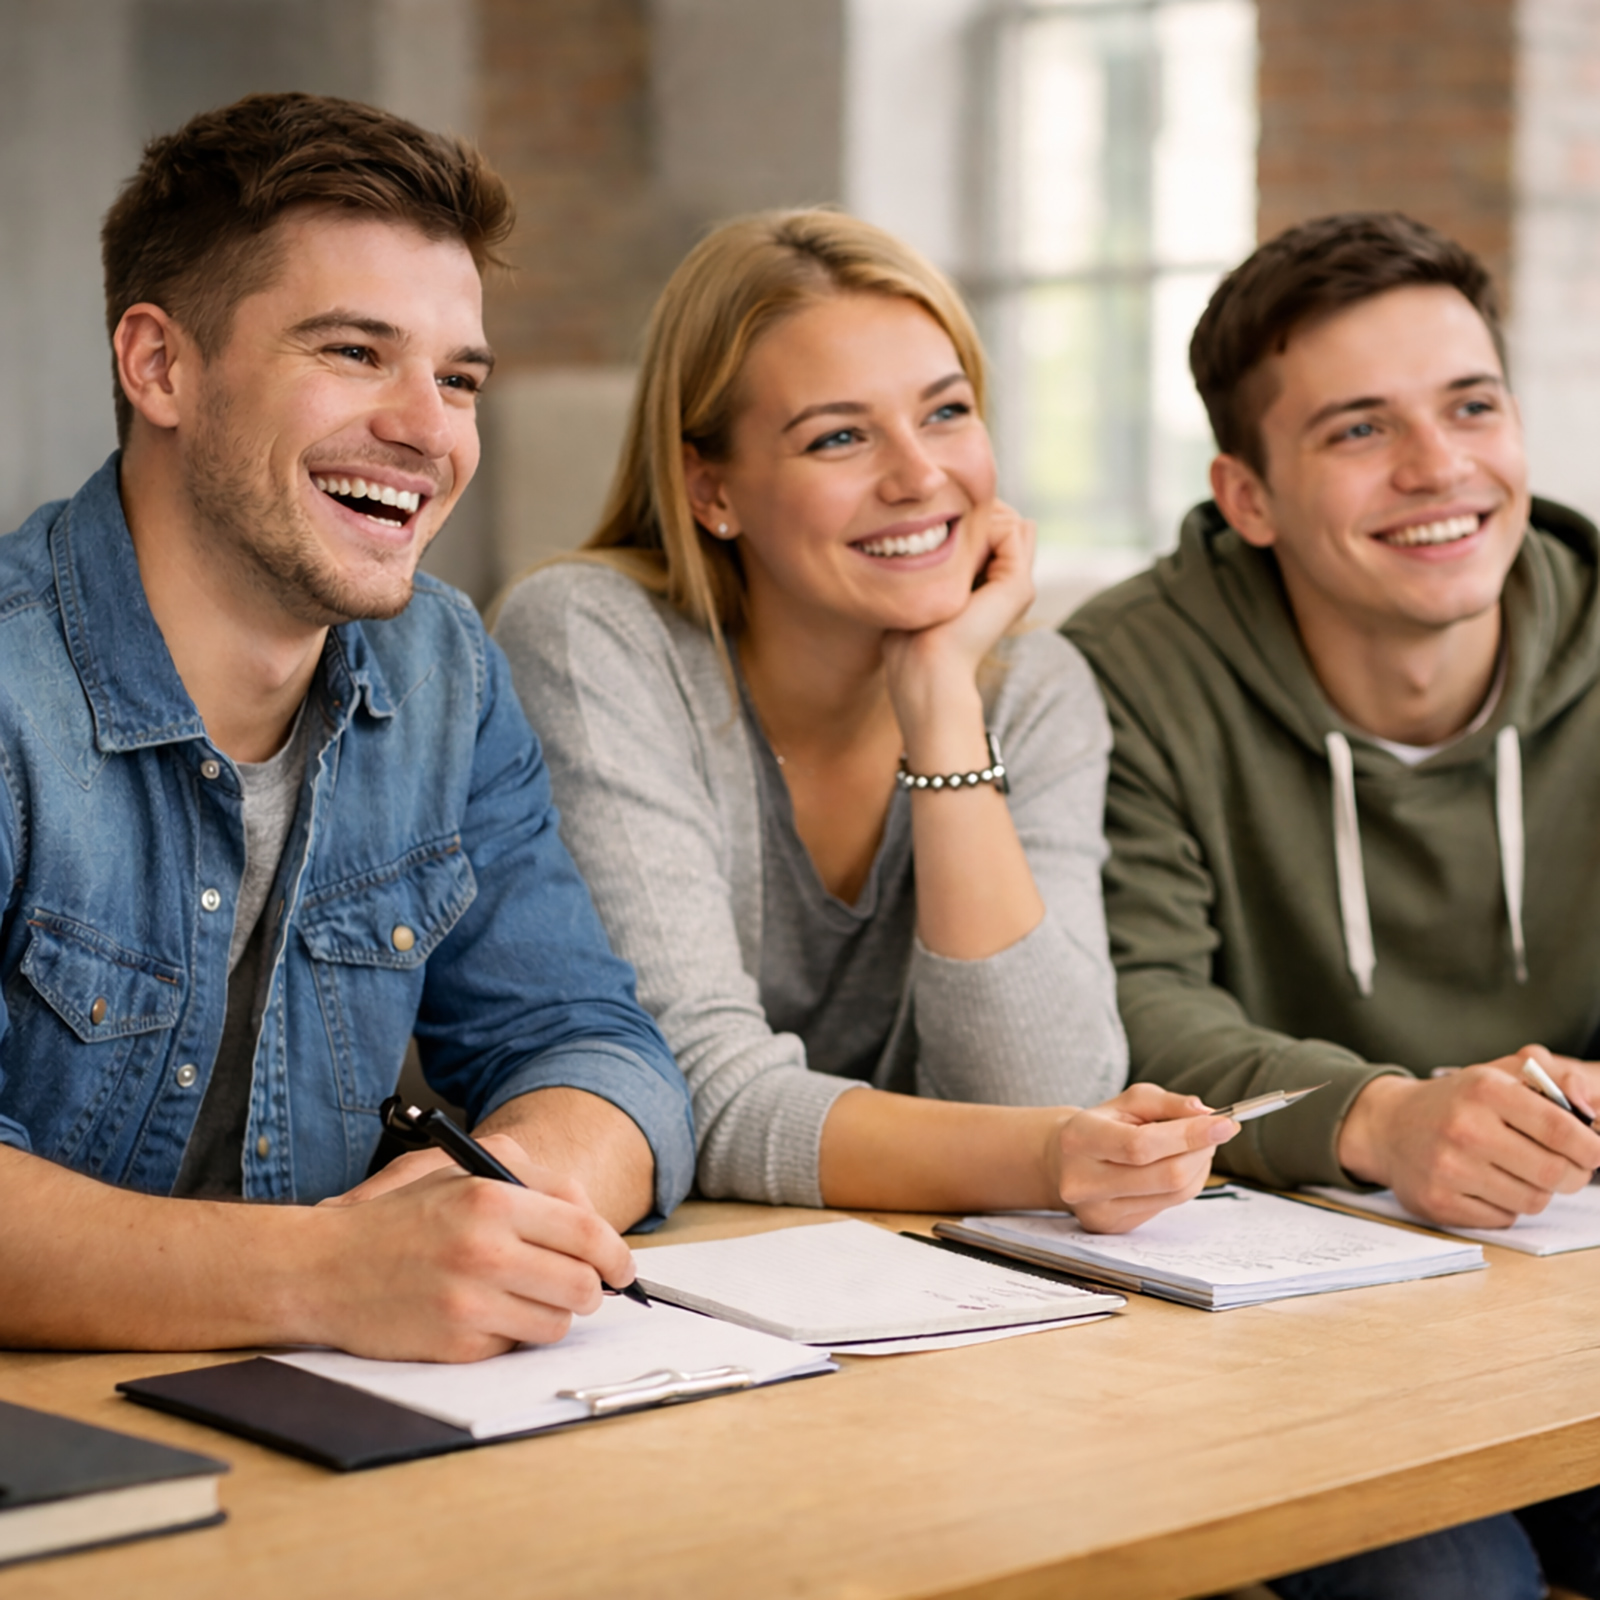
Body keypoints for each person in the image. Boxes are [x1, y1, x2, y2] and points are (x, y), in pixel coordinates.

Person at [0, 93, 695, 1362]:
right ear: (159, 365)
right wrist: (328, 1272)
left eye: (459, 377)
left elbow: (595, 1047)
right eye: (353, 353)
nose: (429, 429)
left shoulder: (443, 669)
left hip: (329, 1429)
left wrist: (514, 1183)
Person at [494, 209, 1236, 1227]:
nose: (919, 476)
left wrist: (939, 706)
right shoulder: (595, 639)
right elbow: (692, 1088)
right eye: (838, 436)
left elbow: (1039, 1085)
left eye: (945, 413)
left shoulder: (1033, 688)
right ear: (711, 488)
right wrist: (1048, 1153)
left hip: (906, 1291)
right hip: (611, 1273)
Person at [1065, 211, 1600, 1599]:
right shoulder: (1125, 674)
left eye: (1471, 406)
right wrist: (1378, 1118)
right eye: (1360, 431)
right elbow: (1123, 1000)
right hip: (1280, 1310)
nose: (1440, 470)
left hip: (1574, 1296)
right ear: (1248, 497)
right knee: (1449, 1586)